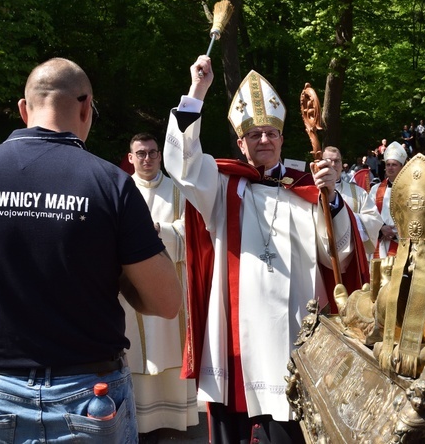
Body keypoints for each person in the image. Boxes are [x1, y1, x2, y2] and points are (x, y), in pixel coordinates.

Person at [0, 58, 182, 443]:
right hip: (90, 392)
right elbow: (165, 301)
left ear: (23, 108)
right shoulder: (109, 184)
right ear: (86, 107)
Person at [163, 55, 367, 443]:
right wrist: (197, 92)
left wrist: (333, 201)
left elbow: (337, 257)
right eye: (254, 134)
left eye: (270, 134)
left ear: (281, 139)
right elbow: (183, 164)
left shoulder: (307, 189)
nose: (263, 140)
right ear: (240, 143)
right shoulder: (222, 185)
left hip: (298, 330)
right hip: (240, 333)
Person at [123, 133, 198, 438]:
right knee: (137, 348)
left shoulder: (177, 190)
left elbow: (191, 230)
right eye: (140, 153)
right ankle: (140, 418)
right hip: (132, 286)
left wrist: (160, 230)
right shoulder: (121, 189)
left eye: (153, 153)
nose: (147, 159)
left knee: (170, 344)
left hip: (172, 280)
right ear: (130, 158)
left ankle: (176, 417)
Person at [323, 146, 384, 261]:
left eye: (337, 161)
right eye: (329, 161)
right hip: (320, 255)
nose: (333, 164)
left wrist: (351, 218)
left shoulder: (357, 192)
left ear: (341, 165)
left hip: (351, 257)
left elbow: (375, 219)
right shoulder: (312, 191)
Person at [370, 141, 407, 259]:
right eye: (388, 164)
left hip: (401, 242)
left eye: (394, 165)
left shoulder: (410, 190)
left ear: (402, 167)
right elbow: (369, 213)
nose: (390, 167)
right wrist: (381, 228)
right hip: (379, 242)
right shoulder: (375, 190)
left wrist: (395, 233)